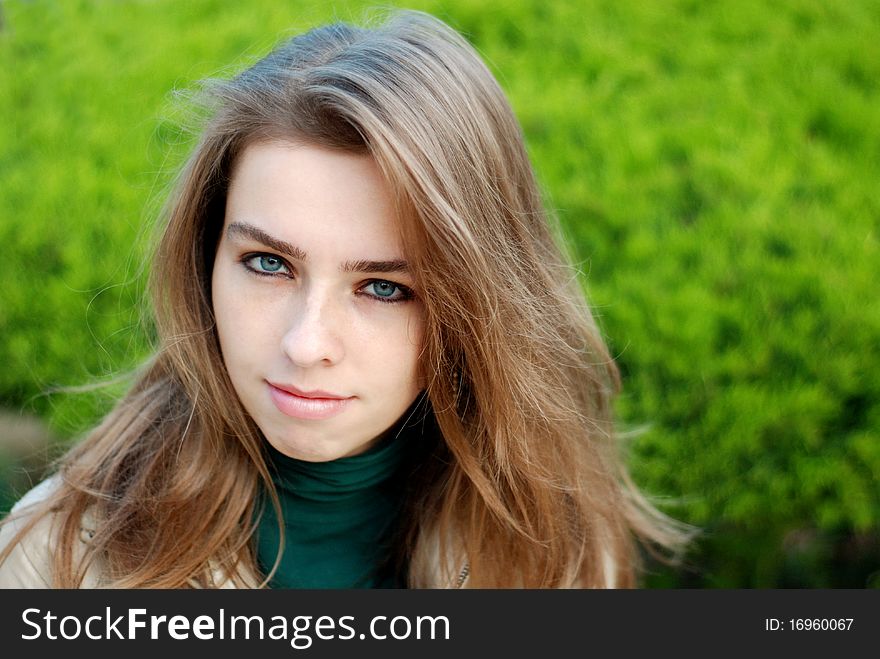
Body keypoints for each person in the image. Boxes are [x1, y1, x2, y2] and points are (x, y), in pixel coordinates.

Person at [0, 9, 689, 588]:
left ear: (477, 307)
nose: (305, 343)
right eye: (268, 263)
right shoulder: (57, 561)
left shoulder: (552, 551)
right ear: (205, 257)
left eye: (384, 287)